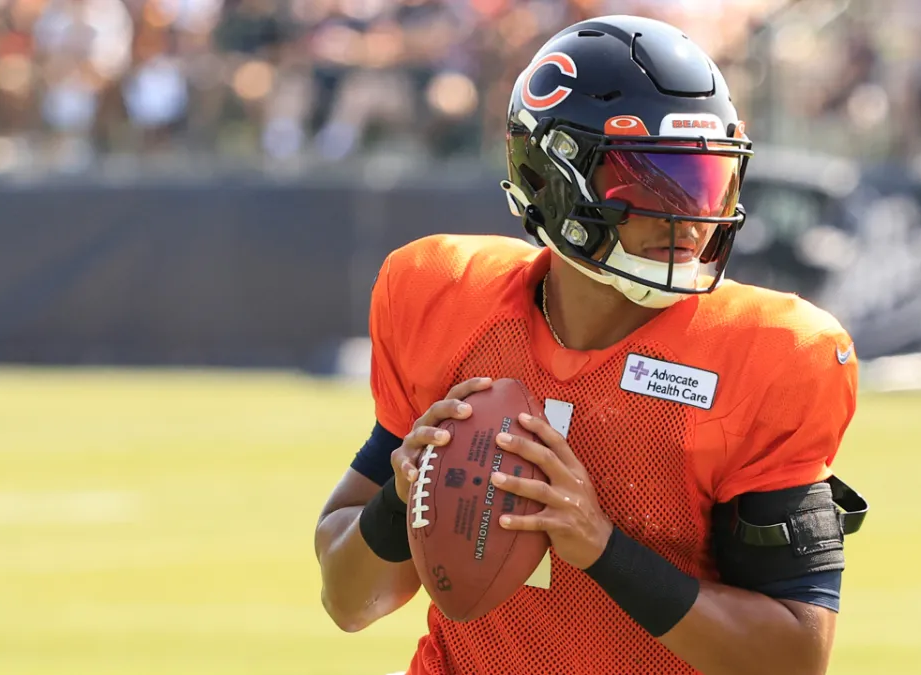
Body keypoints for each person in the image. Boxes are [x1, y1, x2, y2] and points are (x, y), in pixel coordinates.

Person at [314, 14, 868, 675]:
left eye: (705, 179)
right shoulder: (446, 298)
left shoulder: (768, 352)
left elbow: (793, 658)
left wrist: (604, 548)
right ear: (552, 181)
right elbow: (350, 601)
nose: (688, 216)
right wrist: (402, 497)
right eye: (648, 179)